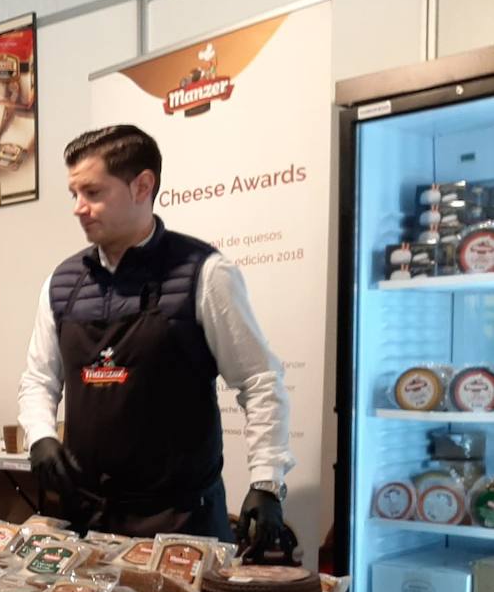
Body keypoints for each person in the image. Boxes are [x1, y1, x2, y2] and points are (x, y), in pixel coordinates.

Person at [18, 124, 293, 554]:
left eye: (92, 192)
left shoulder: (204, 273)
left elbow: (259, 381)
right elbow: (39, 378)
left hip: (183, 523)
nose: (79, 208)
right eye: (74, 194)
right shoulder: (62, 283)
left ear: (142, 185)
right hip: (88, 520)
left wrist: (267, 483)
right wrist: (40, 435)